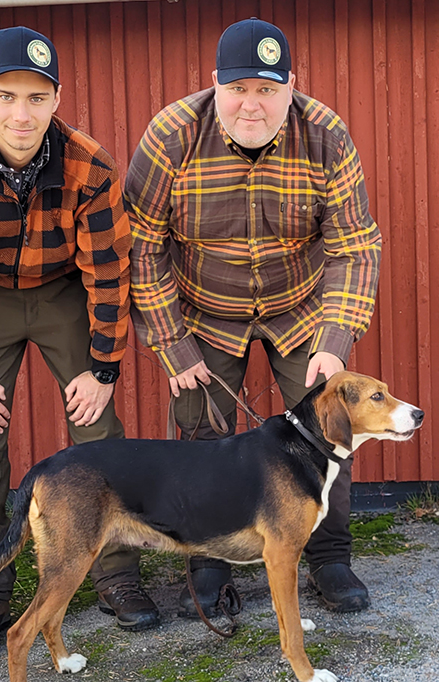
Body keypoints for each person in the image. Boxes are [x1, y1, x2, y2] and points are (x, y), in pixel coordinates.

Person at [125, 18, 382, 617]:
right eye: (238, 88)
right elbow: (142, 246)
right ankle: (209, 562)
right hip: (206, 311)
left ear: (290, 86)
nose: (251, 104)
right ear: (215, 82)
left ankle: (329, 556)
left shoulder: (326, 136)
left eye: (267, 89)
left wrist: (335, 339)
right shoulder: (172, 135)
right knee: (201, 433)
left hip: (301, 309)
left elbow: (354, 246)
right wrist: (173, 344)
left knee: (330, 427)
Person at [0, 26, 158, 657]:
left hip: (63, 289)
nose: (21, 114)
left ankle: (115, 574)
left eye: (36, 97)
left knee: (98, 433)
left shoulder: (90, 165)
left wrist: (103, 369)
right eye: (6, 96)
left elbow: (108, 271)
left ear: (57, 97)